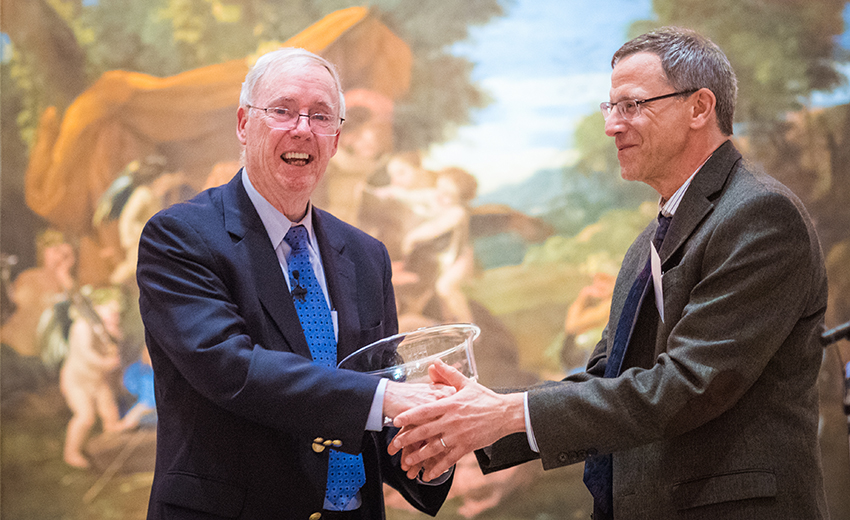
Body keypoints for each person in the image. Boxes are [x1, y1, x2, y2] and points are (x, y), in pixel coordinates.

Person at [389, 27, 830, 520]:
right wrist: (488, 411)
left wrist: (506, 414)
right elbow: (608, 377)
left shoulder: (760, 215)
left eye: (633, 105)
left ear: (699, 107)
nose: (612, 126)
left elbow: (688, 385)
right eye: (610, 107)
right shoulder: (651, 239)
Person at [136, 47, 453, 520]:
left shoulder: (368, 256)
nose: (302, 128)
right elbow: (231, 368)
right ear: (244, 124)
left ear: (337, 139)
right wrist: (389, 399)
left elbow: (379, 398)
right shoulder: (180, 237)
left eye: (321, 115)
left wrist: (434, 441)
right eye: (282, 110)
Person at [60, 286, 124, 468]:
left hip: (97, 380)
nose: (115, 315)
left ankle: (110, 446)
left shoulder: (104, 327)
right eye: (111, 311)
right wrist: (105, 362)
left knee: (109, 412)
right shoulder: (82, 327)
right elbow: (86, 354)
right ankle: (71, 453)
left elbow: (114, 342)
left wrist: (112, 331)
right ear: (98, 307)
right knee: (85, 416)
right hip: (78, 381)